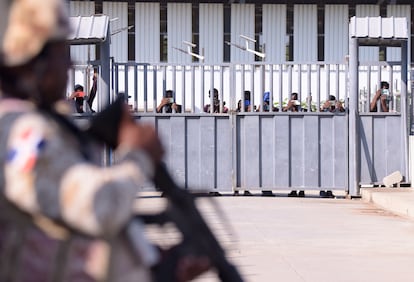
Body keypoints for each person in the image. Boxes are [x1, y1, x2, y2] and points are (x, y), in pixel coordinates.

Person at [0, 0, 209, 281]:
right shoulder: (18, 131)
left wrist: (152, 266)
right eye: (62, 53)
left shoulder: (41, 120)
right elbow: (100, 208)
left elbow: (67, 233)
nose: (70, 64)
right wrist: (139, 155)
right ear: (33, 59)